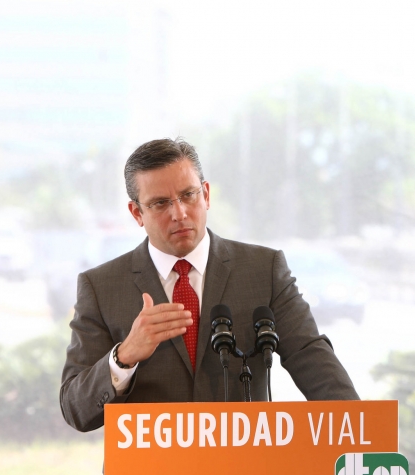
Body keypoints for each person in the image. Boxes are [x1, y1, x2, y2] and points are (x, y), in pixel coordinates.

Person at [61, 138, 358, 433]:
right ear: (137, 213)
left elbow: (312, 359)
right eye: (160, 203)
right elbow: (75, 409)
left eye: (188, 195)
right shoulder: (101, 287)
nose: (179, 213)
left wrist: (363, 432)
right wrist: (123, 357)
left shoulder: (263, 270)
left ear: (205, 194)